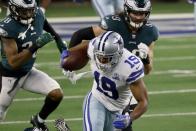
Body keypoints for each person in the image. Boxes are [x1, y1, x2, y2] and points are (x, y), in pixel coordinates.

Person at [67, 0, 158, 130]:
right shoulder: (112, 25)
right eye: (135, 13)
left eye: (142, 13)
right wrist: (68, 57)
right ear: (127, 11)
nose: (138, 17)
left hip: (125, 86)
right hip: (103, 86)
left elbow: (148, 71)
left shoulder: (150, 32)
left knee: (125, 124)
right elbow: (81, 35)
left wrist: (146, 59)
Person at [61, 31, 148, 131]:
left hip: (117, 110)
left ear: (118, 55)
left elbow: (143, 102)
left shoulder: (130, 67)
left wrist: (129, 118)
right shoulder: (94, 47)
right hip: (97, 99)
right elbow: (86, 45)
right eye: (99, 57)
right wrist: (69, 53)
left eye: (106, 59)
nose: (101, 61)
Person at [0, 0, 66, 130]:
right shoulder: (7, 28)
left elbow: (45, 23)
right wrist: (36, 46)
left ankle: (38, 121)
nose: (29, 14)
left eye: (31, 10)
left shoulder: (37, 14)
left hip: (28, 71)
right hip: (9, 76)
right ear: (14, 9)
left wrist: (60, 42)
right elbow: (13, 62)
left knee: (56, 94)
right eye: (24, 11)